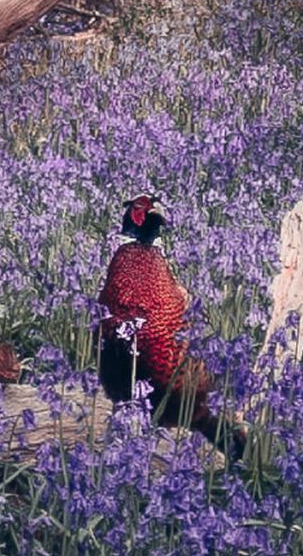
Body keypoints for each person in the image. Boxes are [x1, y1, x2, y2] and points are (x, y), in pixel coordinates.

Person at [95, 194, 248, 458]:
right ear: (133, 215)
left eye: (155, 208)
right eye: (144, 208)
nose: (153, 211)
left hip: (183, 398)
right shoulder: (120, 271)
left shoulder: (170, 289)